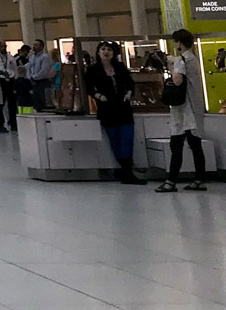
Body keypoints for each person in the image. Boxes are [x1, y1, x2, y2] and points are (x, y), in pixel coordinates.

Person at [157, 30, 208, 193]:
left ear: (179, 43)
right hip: (195, 106)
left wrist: (171, 68)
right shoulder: (193, 59)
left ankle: (171, 181)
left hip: (183, 110)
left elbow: (177, 80)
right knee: (195, 145)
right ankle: (199, 179)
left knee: (176, 145)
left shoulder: (181, 60)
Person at [85, 41, 143, 184]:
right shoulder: (93, 70)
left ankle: (127, 171)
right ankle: (124, 171)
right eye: (103, 49)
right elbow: (89, 88)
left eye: (109, 50)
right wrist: (99, 96)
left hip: (123, 107)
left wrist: (129, 93)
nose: (106, 52)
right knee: (115, 140)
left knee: (127, 138)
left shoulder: (120, 67)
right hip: (107, 108)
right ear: (98, 52)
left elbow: (130, 83)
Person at [26, 40, 54, 111]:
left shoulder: (45, 57)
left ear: (41, 47)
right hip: (33, 82)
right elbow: (29, 68)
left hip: (43, 82)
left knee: (44, 102)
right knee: (36, 102)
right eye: (33, 45)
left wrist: (35, 77)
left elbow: (44, 70)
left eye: (36, 45)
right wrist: (30, 77)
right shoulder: (31, 57)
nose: (34, 47)